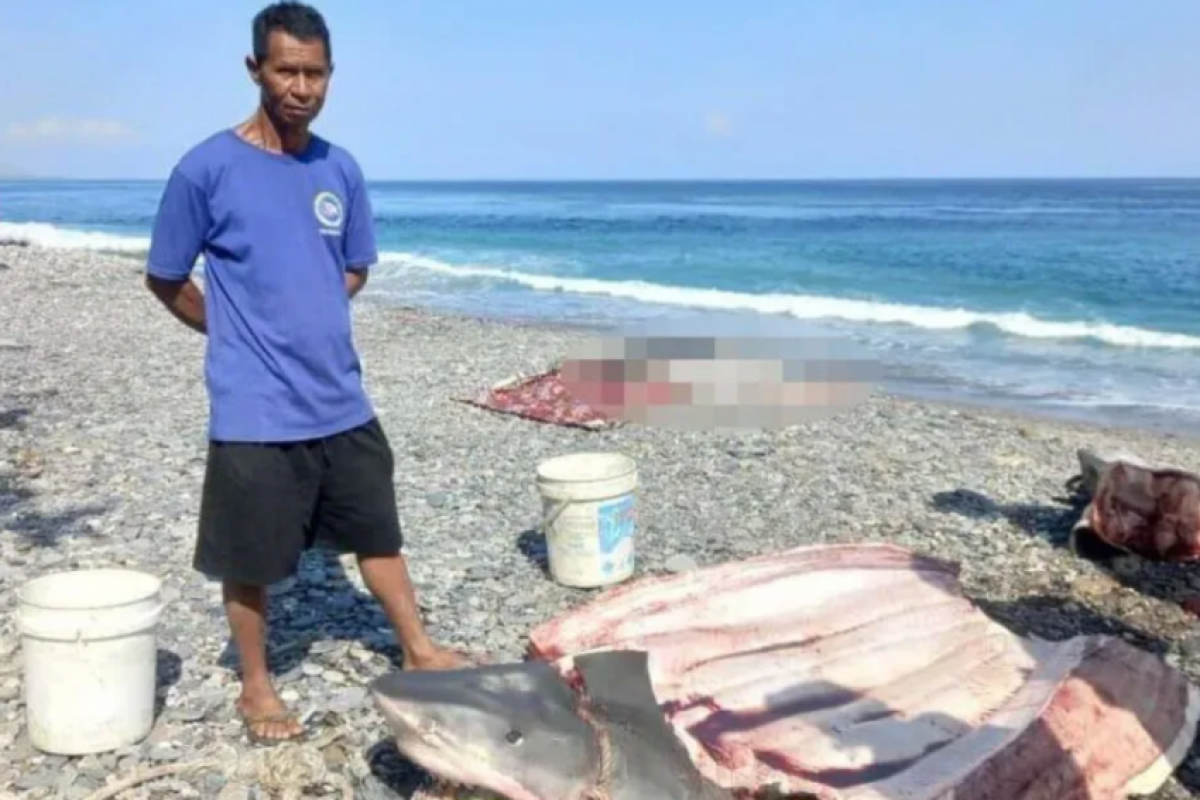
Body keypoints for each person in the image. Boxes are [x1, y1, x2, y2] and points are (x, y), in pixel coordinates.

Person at [143, 1, 470, 745]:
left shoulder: (339, 168)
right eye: (286, 69)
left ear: (330, 75)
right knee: (249, 554)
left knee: (377, 531)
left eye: (314, 72)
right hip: (253, 406)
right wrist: (234, 329)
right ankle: (256, 686)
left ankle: (417, 648)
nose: (300, 86)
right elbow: (164, 276)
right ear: (255, 68)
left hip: (340, 396)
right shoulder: (205, 169)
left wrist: (307, 313)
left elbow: (351, 269)